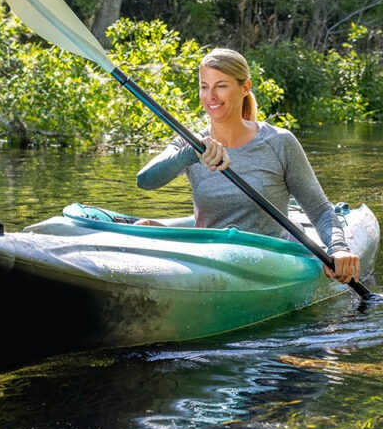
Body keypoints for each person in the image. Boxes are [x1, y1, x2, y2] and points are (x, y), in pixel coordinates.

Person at [135, 47, 360, 285]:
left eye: (221, 85)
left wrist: (338, 248)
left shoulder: (279, 142)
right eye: (204, 86)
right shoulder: (190, 143)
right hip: (208, 259)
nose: (210, 96)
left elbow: (320, 210)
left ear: (245, 88)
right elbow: (145, 181)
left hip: (270, 261)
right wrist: (192, 153)